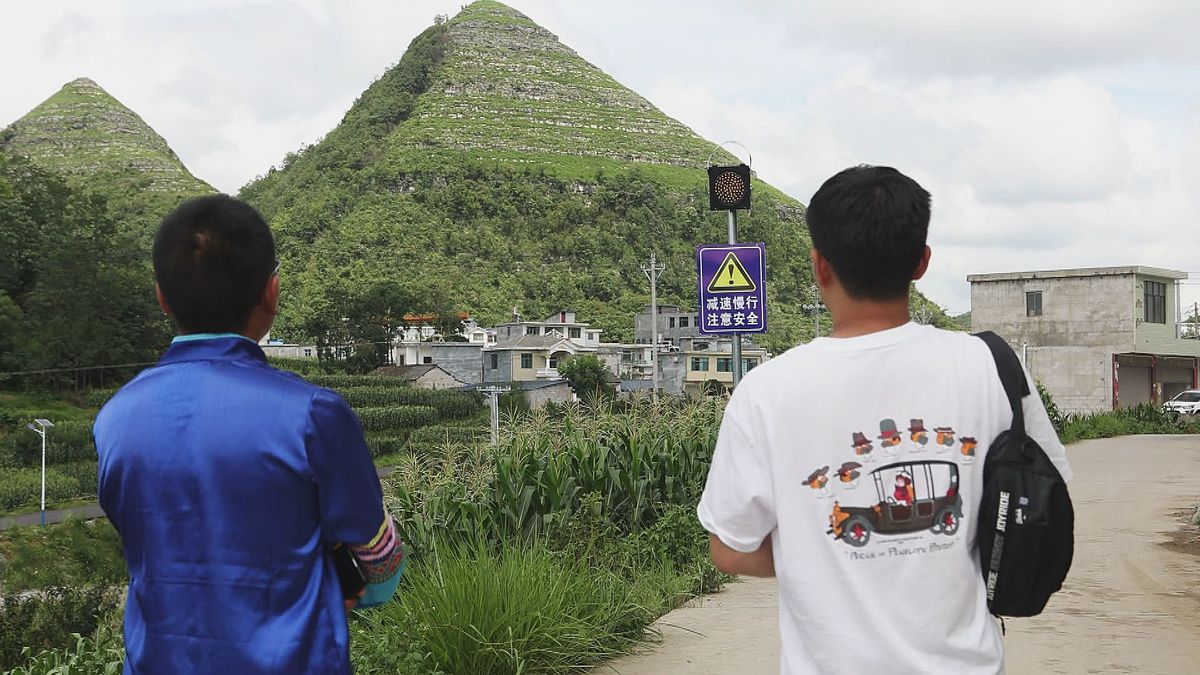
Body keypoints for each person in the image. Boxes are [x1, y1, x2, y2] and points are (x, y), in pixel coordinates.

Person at [697, 166, 1071, 674]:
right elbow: (1048, 503)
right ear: (921, 262)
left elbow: (731, 549)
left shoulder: (765, 391)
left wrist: (814, 548)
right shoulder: (991, 366)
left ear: (818, 265)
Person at [94, 195, 405, 674]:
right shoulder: (313, 415)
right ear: (271, 292)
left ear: (161, 296)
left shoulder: (115, 419)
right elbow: (381, 560)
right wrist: (354, 585)